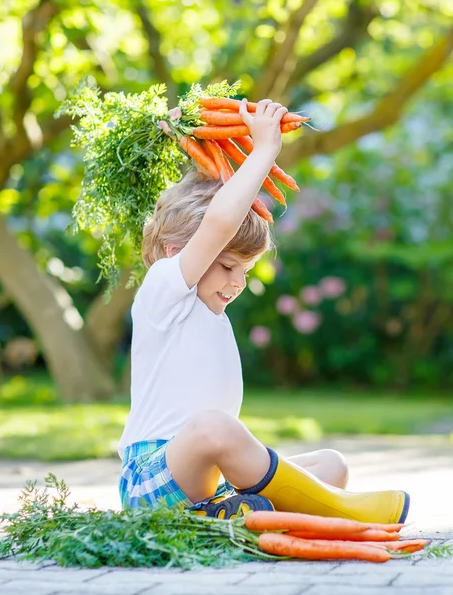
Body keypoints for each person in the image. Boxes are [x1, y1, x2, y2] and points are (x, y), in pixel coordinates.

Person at [118, 98, 410, 522]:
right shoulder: (163, 291)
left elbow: (222, 227)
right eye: (227, 265)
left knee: (332, 464)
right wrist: (264, 151)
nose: (238, 282)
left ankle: (228, 515)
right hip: (151, 478)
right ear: (177, 251)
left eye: (246, 271)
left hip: (207, 484)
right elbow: (218, 223)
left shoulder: (208, 313)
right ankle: (342, 512)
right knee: (214, 427)